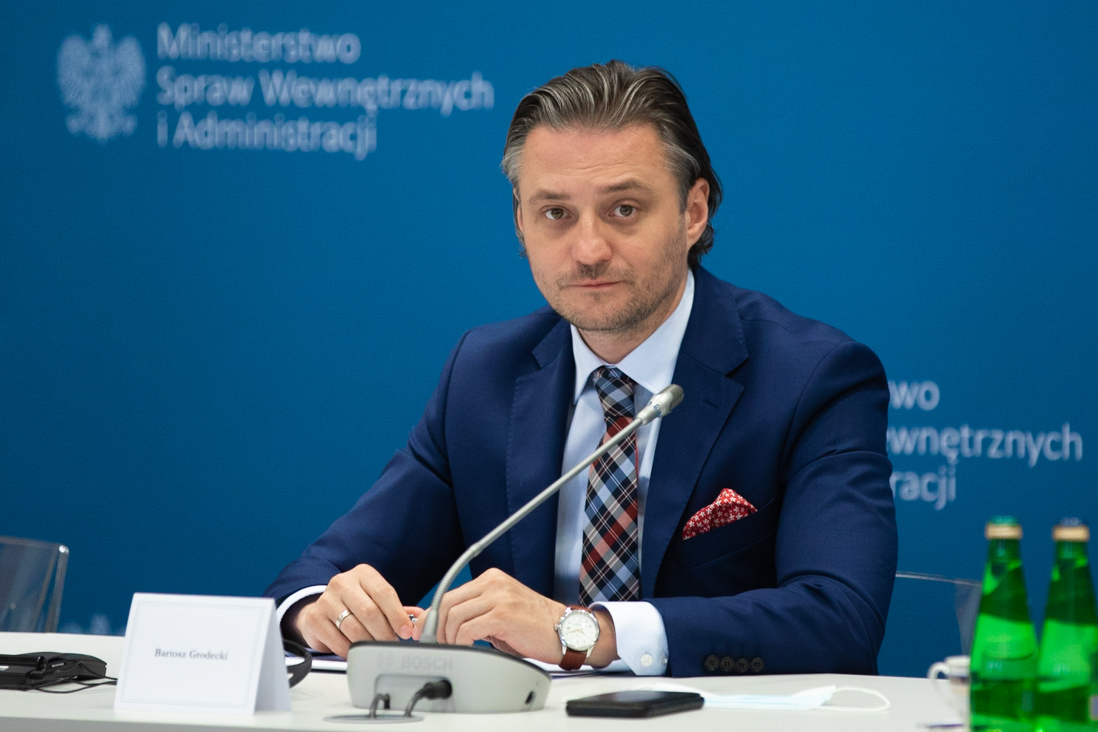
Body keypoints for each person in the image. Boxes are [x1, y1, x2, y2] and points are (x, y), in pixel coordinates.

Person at [265, 60, 898, 678]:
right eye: (556, 214)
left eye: (624, 209)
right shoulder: (482, 377)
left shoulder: (811, 379)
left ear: (693, 212)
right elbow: (307, 583)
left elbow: (840, 619)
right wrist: (320, 613)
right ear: (520, 222)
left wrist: (586, 632)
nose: (589, 249)